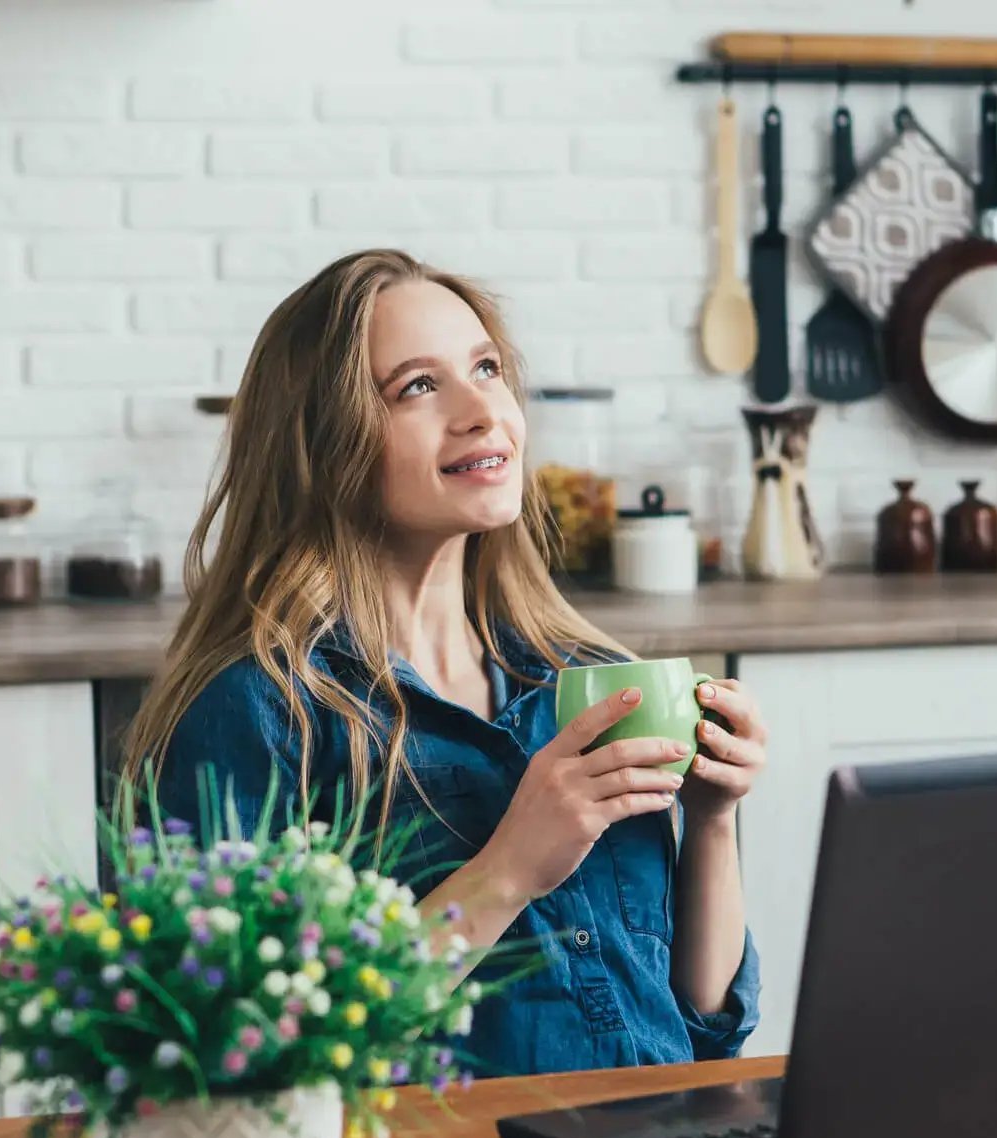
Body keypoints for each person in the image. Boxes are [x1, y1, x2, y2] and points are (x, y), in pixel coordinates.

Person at [119, 249, 766, 1078]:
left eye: (487, 368)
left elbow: (703, 1028)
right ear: (325, 443)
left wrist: (713, 819)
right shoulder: (259, 712)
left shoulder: (586, 679)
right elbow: (245, 1066)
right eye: (418, 386)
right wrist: (507, 869)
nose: (481, 411)